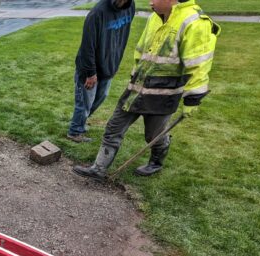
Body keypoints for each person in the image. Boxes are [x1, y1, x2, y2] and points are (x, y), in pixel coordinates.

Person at [73, 0, 220, 179]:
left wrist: (193, 98)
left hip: (163, 94)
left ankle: (156, 162)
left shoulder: (194, 22)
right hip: (137, 88)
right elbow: (141, 50)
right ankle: (98, 168)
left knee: (154, 134)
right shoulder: (154, 18)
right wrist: (135, 73)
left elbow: (198, 65)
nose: (150, 2)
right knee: (114, 127)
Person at [66, 0, 135, 143]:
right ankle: (75, 131)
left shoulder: (130, 7)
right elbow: (87, 46)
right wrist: (90, 73)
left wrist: (114, 63)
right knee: (85, 102)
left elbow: (120, 37)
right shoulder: (97, 13)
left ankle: (81, 121)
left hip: (109, 66)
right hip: (90, 69)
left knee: (100, 97)